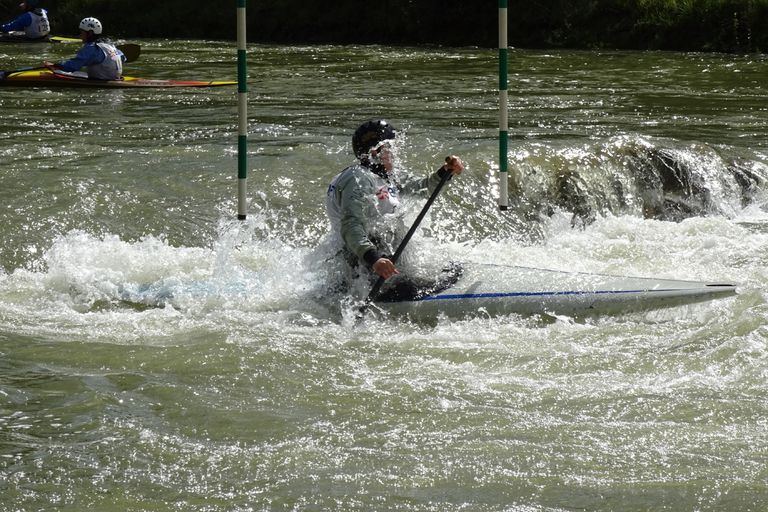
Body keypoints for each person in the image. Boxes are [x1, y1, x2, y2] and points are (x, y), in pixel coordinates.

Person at [325, 119, 464, 300]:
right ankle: (387, 293)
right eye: (390, 147)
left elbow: (420, 187)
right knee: (406, 284)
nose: (394, 153)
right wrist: (375, 259)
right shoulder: (358, 180)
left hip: (375, 249)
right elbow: (351, 226)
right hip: (359, 259)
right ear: (374, 152)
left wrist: (445, 171)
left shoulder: (385, 174)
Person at [43, 17, 125, 80]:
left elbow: (73, 66)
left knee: (62, 72)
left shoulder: (91, 48)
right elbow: (123, 58)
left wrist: (56, 66)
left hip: (101, 81)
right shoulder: (110, 45)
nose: (80, 35)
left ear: (90, 33)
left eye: (82, 32)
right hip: (115, 79)